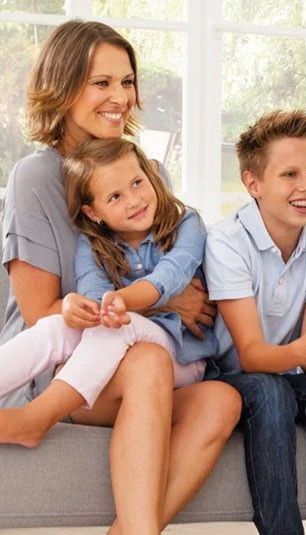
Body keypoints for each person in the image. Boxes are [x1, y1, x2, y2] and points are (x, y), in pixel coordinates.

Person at [0, 21, 241, 535]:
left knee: (223, 399)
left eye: (127, 82)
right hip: (62, 359)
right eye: (101, 83)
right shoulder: (36, 178)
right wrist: (166, 304)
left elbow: (181, 276)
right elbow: (43, 311)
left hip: (138, 354)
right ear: (63, 88)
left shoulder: (147, 170)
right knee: (149, 359)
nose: (120, 97)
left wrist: (178, 302)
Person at [204, 109, 306, 535]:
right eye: (289, 174)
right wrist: (303, 353)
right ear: (253, 183)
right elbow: (251, 355)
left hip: (285, 369)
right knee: (270, 393)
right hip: (228, 376)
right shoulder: (226, 241)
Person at [0, 137, 213, 444]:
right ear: (92, 212)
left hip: (184, 356)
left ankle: (34, 420)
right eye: (114, 196)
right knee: (57, 324)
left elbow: (171, 275)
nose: (134, 200)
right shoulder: (92, 245)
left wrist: (120, 301)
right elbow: (94, 296)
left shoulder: (186, 223)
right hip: (128, 340)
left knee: (115, 329)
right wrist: (76, 306)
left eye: (138, 183)